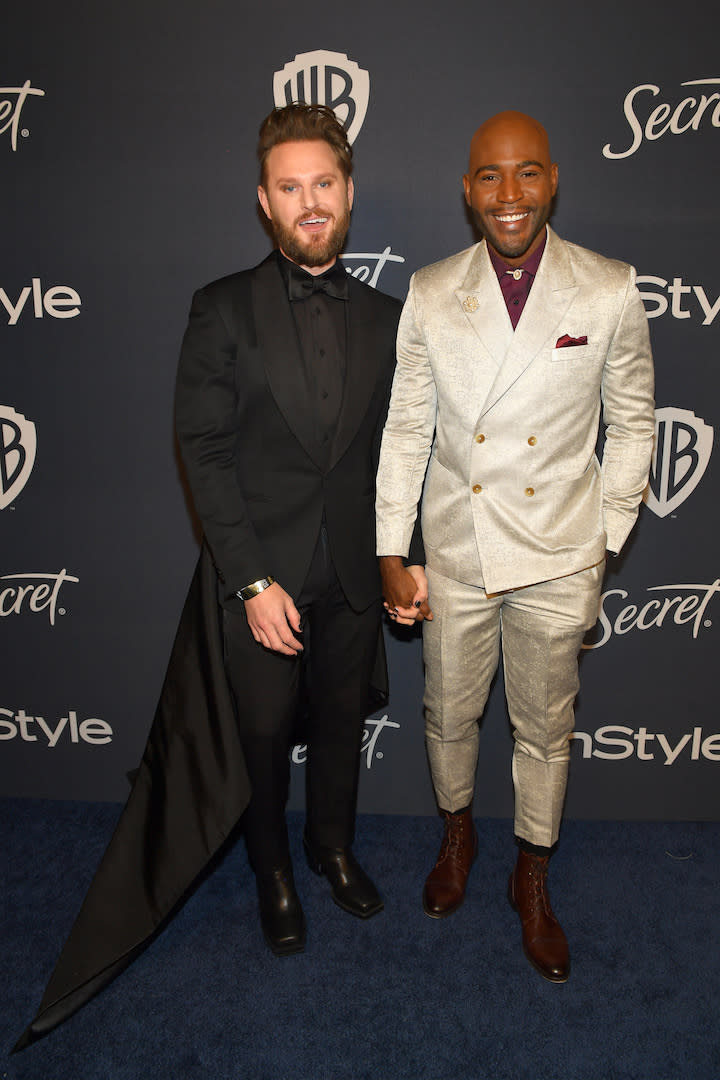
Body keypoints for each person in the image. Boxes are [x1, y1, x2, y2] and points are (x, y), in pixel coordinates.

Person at [375, 110, 655, 982]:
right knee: (448, 715)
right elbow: (407, 428)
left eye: (526, 173)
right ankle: (458, 840)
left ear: (553, 180)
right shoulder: (429, 291)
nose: (509, 194)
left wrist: (598, 544)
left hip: (557, 555)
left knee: (545, 730)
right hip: (458, 552)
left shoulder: (607, 288)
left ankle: (532, 875)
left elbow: (635, 426)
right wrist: (392, 544)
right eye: (490, 177)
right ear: (467, 190)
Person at [175, 102, 425, 956]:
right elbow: (204, 453)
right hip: (263, 583)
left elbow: (401, 457)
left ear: (349, 193)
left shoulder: (389, 319)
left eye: (324, 183)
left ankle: (334, 849)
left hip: (355, 577)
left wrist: (402, 561)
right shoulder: (220, 310)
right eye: (291, 187)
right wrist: (247, 580)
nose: (309, 201)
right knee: (264, 738)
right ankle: (273, 871)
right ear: (264, 199)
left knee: (339, 726)